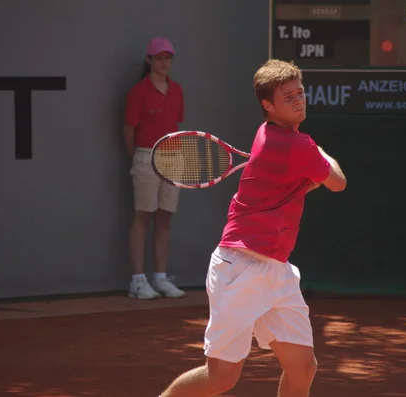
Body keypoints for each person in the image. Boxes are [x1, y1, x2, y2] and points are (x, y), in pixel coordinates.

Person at [157, 59, 347, 397]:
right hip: (240, 268)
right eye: (287, 96)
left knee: (303, 365)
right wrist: (319, 152)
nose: (298, 100)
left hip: (276, 268)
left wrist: (311, 165)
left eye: (300, 93)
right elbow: (337, 182)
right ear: (268, 105)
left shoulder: (269, 135)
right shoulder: (296, 145)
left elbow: (305, 180)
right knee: (221, 378)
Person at [123, 37, 186, 300]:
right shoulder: (138, 92)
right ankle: (138, 281)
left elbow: (175, 123)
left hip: (173, 158)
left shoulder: (177, 90)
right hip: (146, 157)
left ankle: (160, 278)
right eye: (160, 57)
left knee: (164, 219)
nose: (164, 62)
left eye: (168, 57)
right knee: (143, 218)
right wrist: (138, 157)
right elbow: (129, 130)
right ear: (150, 60)